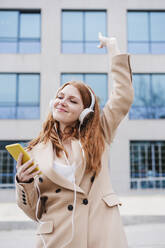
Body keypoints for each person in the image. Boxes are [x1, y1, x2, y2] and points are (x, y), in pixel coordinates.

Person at [15, 32, 134, 248]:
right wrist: (25, 184)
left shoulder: (99, 133)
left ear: (84, 112)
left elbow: (123, 95)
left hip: (100, 234)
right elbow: (34, 212)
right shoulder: (34, 150)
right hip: (57, 238)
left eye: (72, 100)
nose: (62, 102)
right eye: (60, 97)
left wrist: (113, 48)